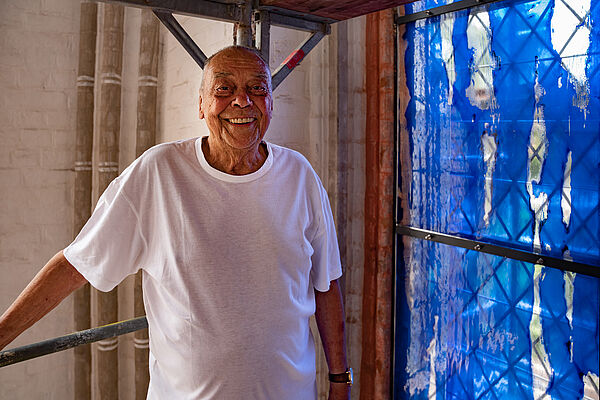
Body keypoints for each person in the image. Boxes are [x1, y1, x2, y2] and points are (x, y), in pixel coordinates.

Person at [0, 46, 351, 399]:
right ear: (201, 105)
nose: (242, 101)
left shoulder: (300, 175)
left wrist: (340, 379)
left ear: (271, 103)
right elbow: (74, 266)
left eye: (258, 88)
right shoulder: (159, 172)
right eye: (223, 89)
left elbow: (326, 283)